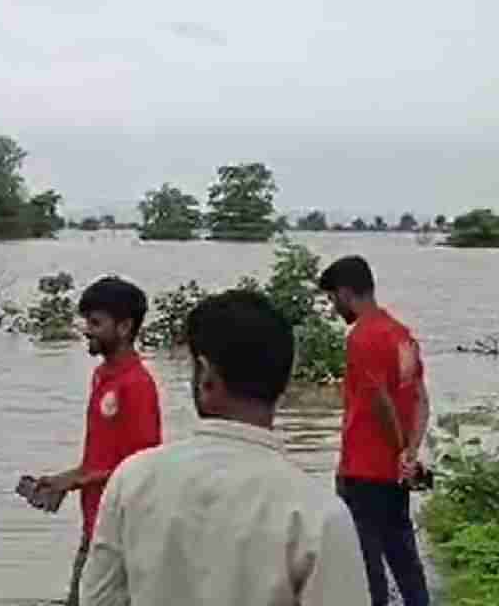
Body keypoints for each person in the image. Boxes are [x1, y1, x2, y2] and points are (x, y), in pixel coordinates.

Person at [80, 290, 369, 605]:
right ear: (285, 383)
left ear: (205, 374)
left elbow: (99, 598)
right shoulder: (318, 515)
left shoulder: (132, 480)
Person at [27, 276, 161, 606]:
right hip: (96, 521)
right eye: (87, 321)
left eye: (96, 322)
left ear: (125, 327)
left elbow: (142, 466)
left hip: (122, 528)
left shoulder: (137, 384)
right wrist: (65, 479)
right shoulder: (102, 376)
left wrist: (77, 481)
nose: (87, 329)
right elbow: (102, 459)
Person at [320, 255, 432, 606]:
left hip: (362, 471)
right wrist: (409, 455)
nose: (334, 307)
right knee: (404, 558)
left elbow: (379, 401)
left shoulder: (361, 338)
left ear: (344, 293)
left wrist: (399, 448)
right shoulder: (402, 336)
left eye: (332, 299)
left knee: (366, 569)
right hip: (394, 473)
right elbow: (420, 398)